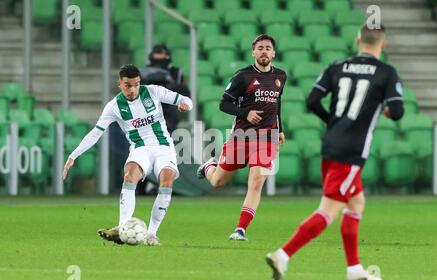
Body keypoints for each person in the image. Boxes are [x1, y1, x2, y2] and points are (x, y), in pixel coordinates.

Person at [266, 24, 404, 280]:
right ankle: (283, 255)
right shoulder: (386, 72)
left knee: (356, 202)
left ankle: (354, 269)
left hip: (330, 144)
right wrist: (385, 111)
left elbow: (311, 100)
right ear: (383, 45)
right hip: (352, 151)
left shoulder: (337, 66)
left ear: (357, 40)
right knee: (328, 210)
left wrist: (332, 122)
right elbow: (397, 111)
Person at [62, 64, 193, 246]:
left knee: (167, 181)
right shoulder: (114, 106)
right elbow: (96, 133)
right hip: (140, 149)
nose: (132, 89)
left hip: (163, 146)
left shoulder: (153, 92)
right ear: (120, 84)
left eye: (136, 85)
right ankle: (123, 227)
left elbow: (184, 98)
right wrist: (73, 156)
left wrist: (186, 104)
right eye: (127, 85)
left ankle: (152, 234)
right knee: (130, 175)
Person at [197, 34, 287, 241]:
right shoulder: (243, 76)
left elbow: (276, 104)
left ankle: (240, 229)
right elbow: (224, 104)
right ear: (253, 52)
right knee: (217, 181)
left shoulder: (281, 76)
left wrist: (279, 128)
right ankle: (209, 167)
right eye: (260, 48)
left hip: (267, 138)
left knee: (256, 182)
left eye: (268, 48)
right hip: (242, 136)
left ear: (274, 53)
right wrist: (245, 113)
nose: (264, 51)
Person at [140, 44, 190, 134]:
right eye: (157, 52)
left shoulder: (176, 72)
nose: (159, 55)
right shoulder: (143, 72)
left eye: (161, 52)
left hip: (169, 114)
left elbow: (185, 92)